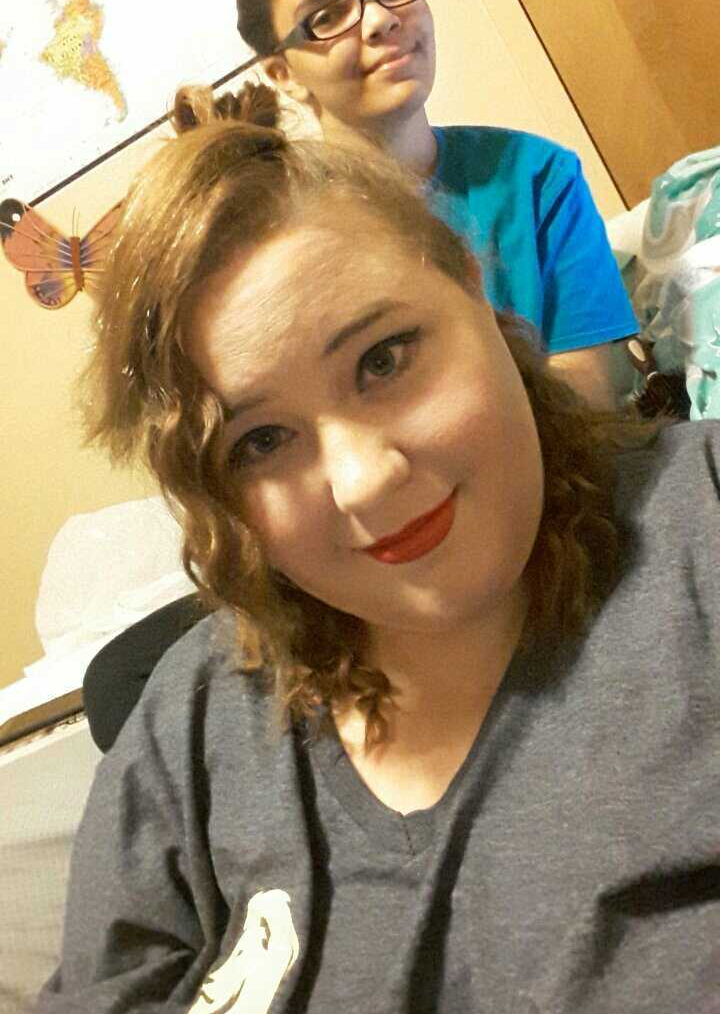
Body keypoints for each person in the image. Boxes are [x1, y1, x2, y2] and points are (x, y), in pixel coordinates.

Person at [38, 85, 719, 1014]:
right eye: (261, 441)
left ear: (475, 291)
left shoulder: (699, 528)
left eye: (384, 359)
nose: (363, 481)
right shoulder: (186, 731)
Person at [234, 0, 638, 408]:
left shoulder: (536, 176)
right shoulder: (281, 243)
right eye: (328, 16)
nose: (381, 18)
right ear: (282, 74)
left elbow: (591, 387)